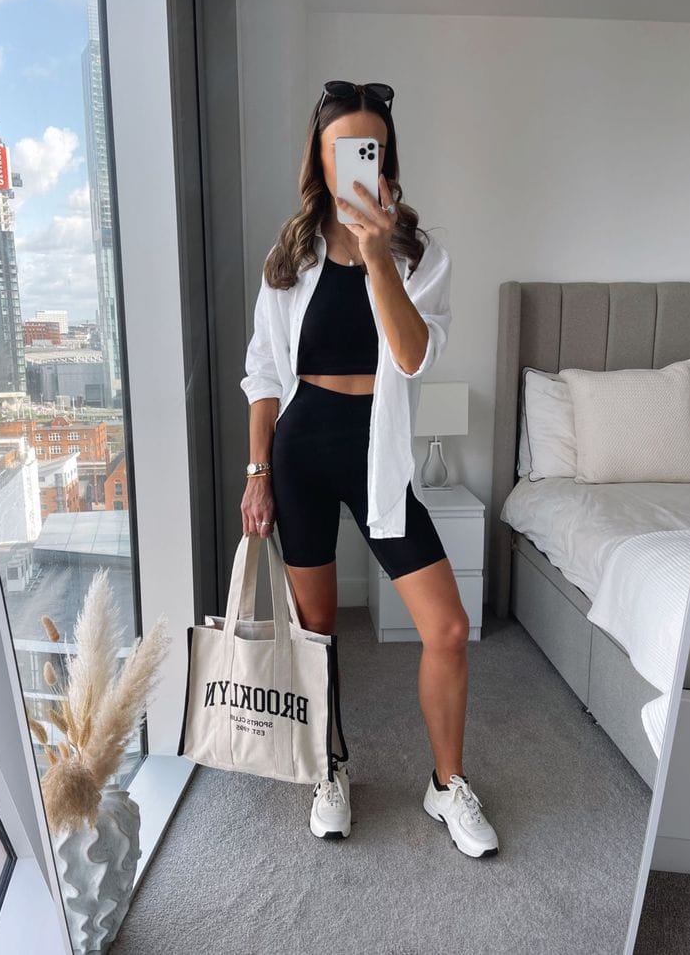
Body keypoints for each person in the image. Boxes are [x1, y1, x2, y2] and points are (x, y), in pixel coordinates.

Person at [239, 80, 499, 858]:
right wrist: (257, 469)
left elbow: (413, 355)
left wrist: (377, 250)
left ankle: (447, 783)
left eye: (371, 148)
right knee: (318, 627)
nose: (359, 160)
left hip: (377, 452)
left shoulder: (420, 254)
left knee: (448, 626)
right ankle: (330, 767)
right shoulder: (291, 253)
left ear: (386, 158)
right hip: (301, 449)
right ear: (320, 159)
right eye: (343, 148)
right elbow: (263, 372)